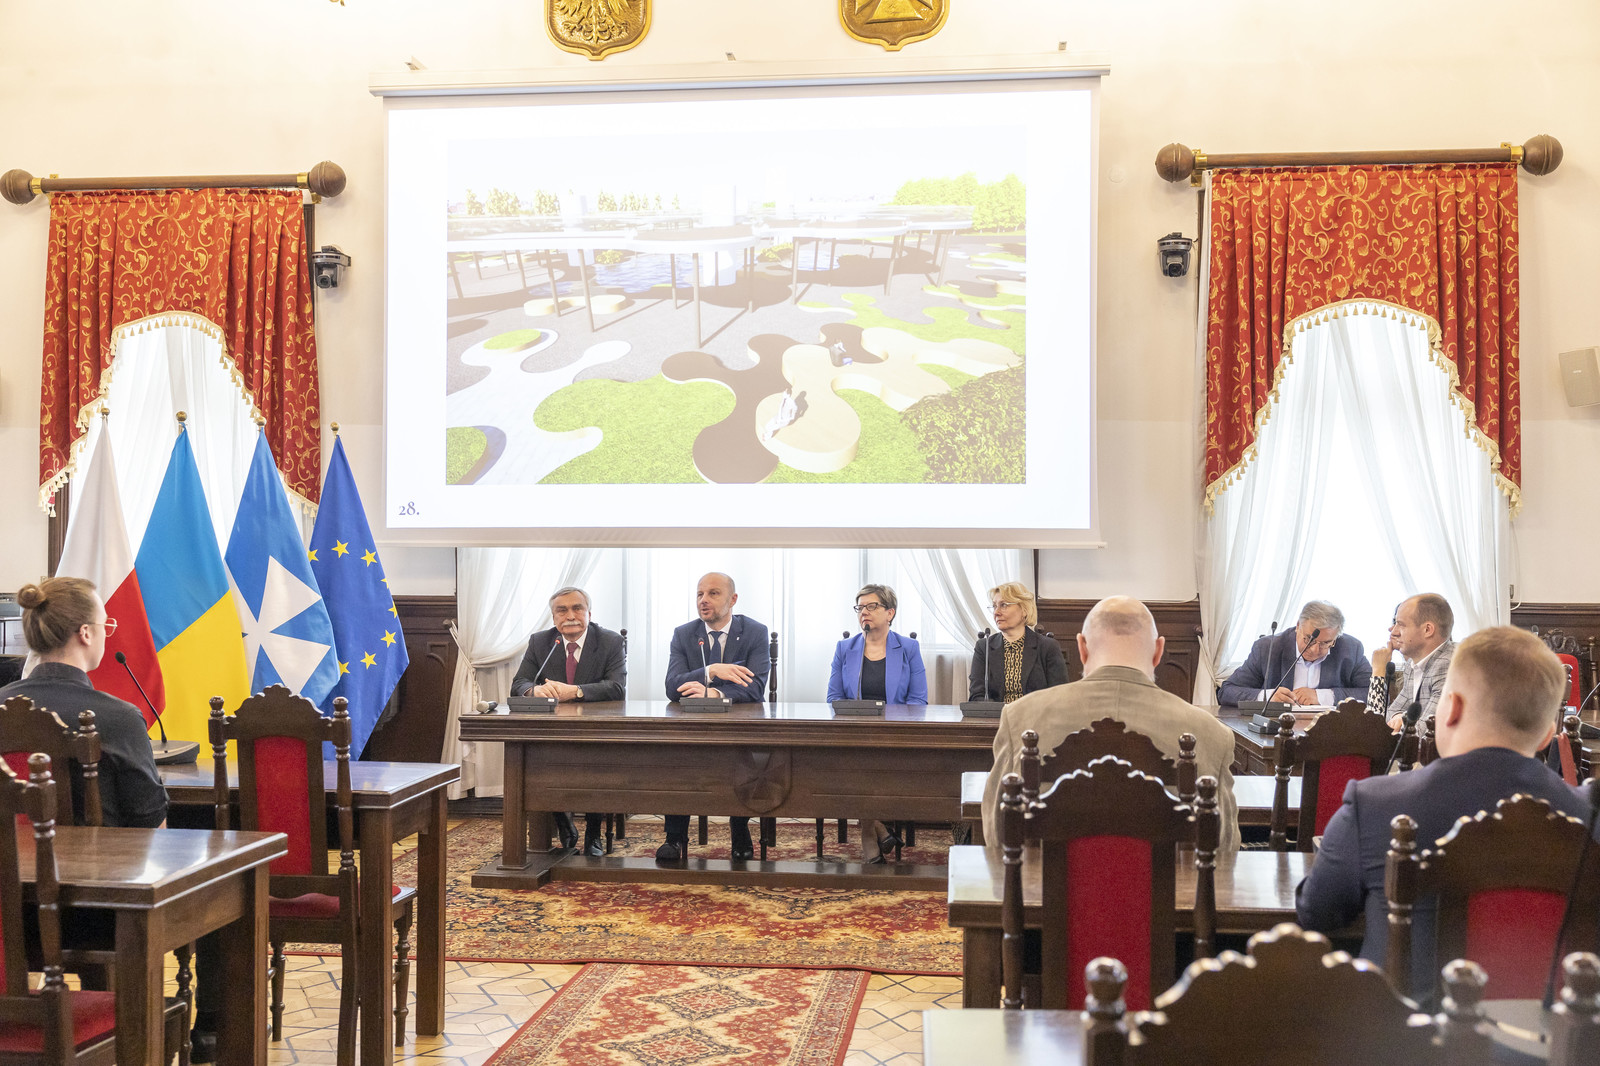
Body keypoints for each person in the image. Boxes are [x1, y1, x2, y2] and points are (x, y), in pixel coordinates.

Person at [1295, 626, 1590, 995]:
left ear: (1452, 709)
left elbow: (1318, 913)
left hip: (1401, 1027)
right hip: (1557, 1030)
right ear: (1548, 734)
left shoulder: (1374, 804)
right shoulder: (1590, 817)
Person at [981, 596, 1240, 855]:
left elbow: (997, 832)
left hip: (1042, 881)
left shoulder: (1019, 717)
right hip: (1175, 882)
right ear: (1158, 651)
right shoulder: (1212, 734)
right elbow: (1224, 849)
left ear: (1082, 647)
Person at [0, 577, 166, 829]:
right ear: (86, 633)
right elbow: (152, 824)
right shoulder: (120, 718)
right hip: (103, 856)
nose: (107, 633)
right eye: (105, 624)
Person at [659, 572, 770, 863]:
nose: (703, 600)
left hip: (738, 726)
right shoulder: (684, 634)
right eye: (699, 594)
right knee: (675, 758)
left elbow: (756, 688)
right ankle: (674, 837)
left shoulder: (755, 632)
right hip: (692, 727)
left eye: (713, 593)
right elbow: (672, 686)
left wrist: (714, 694)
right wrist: (711, 671)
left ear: (733, 600)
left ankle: (739, 829)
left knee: (742, 760)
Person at [509, 585, 627, 856]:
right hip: (553, 728)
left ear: (589, 614)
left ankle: (594, 835)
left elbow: (616, 687)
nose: (570, 616)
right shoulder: (541, 641)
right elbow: (519, 683)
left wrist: (575, 691)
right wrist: (534, 691)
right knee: (539, 761)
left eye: (577, 608)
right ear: (554, 618)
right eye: (562, 611)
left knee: (597, 768)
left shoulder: (609, 641)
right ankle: (564, 824)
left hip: (597, 729)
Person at [827, 583, 927, 863]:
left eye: (872, 606)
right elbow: (833, 697)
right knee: (853, 762)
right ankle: (876, 830)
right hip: (853, 732)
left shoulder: (908, 648)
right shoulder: (845, 648)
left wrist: (891, 726)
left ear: (890, 613)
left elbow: (918, 700)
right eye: (860, 607)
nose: (864, 612)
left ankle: (871, 832)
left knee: (864, 766)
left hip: (895, 733)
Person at [1216, 600, 1371, 707]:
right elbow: (1227, 692)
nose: (1315, 650)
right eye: (1309, 639)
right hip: (1277, 732)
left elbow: (1374, 695)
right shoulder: (1268, 648)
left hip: (1329, 734)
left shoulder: (1351, 649)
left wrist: (1323, 696)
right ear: (1298, 626)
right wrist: (1268, 696)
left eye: (1325, 643)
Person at [968, 580, 1069, 703]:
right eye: (994, 606)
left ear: (1024, 610)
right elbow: (976, 695)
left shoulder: (1047, 647)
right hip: (997, 715)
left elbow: (1059, 695)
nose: (996, 612)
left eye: (1004, 605)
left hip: (1035, 714)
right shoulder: (984, 647)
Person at [1368, 593, 1455, 727]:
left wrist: (1402, 721)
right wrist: (1399, 716)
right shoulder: (1413, 665)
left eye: (1400, 625)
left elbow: (1426, 732)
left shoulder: (1447, 665)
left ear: (1427, 630)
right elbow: (1382, 720)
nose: (1393, 632)